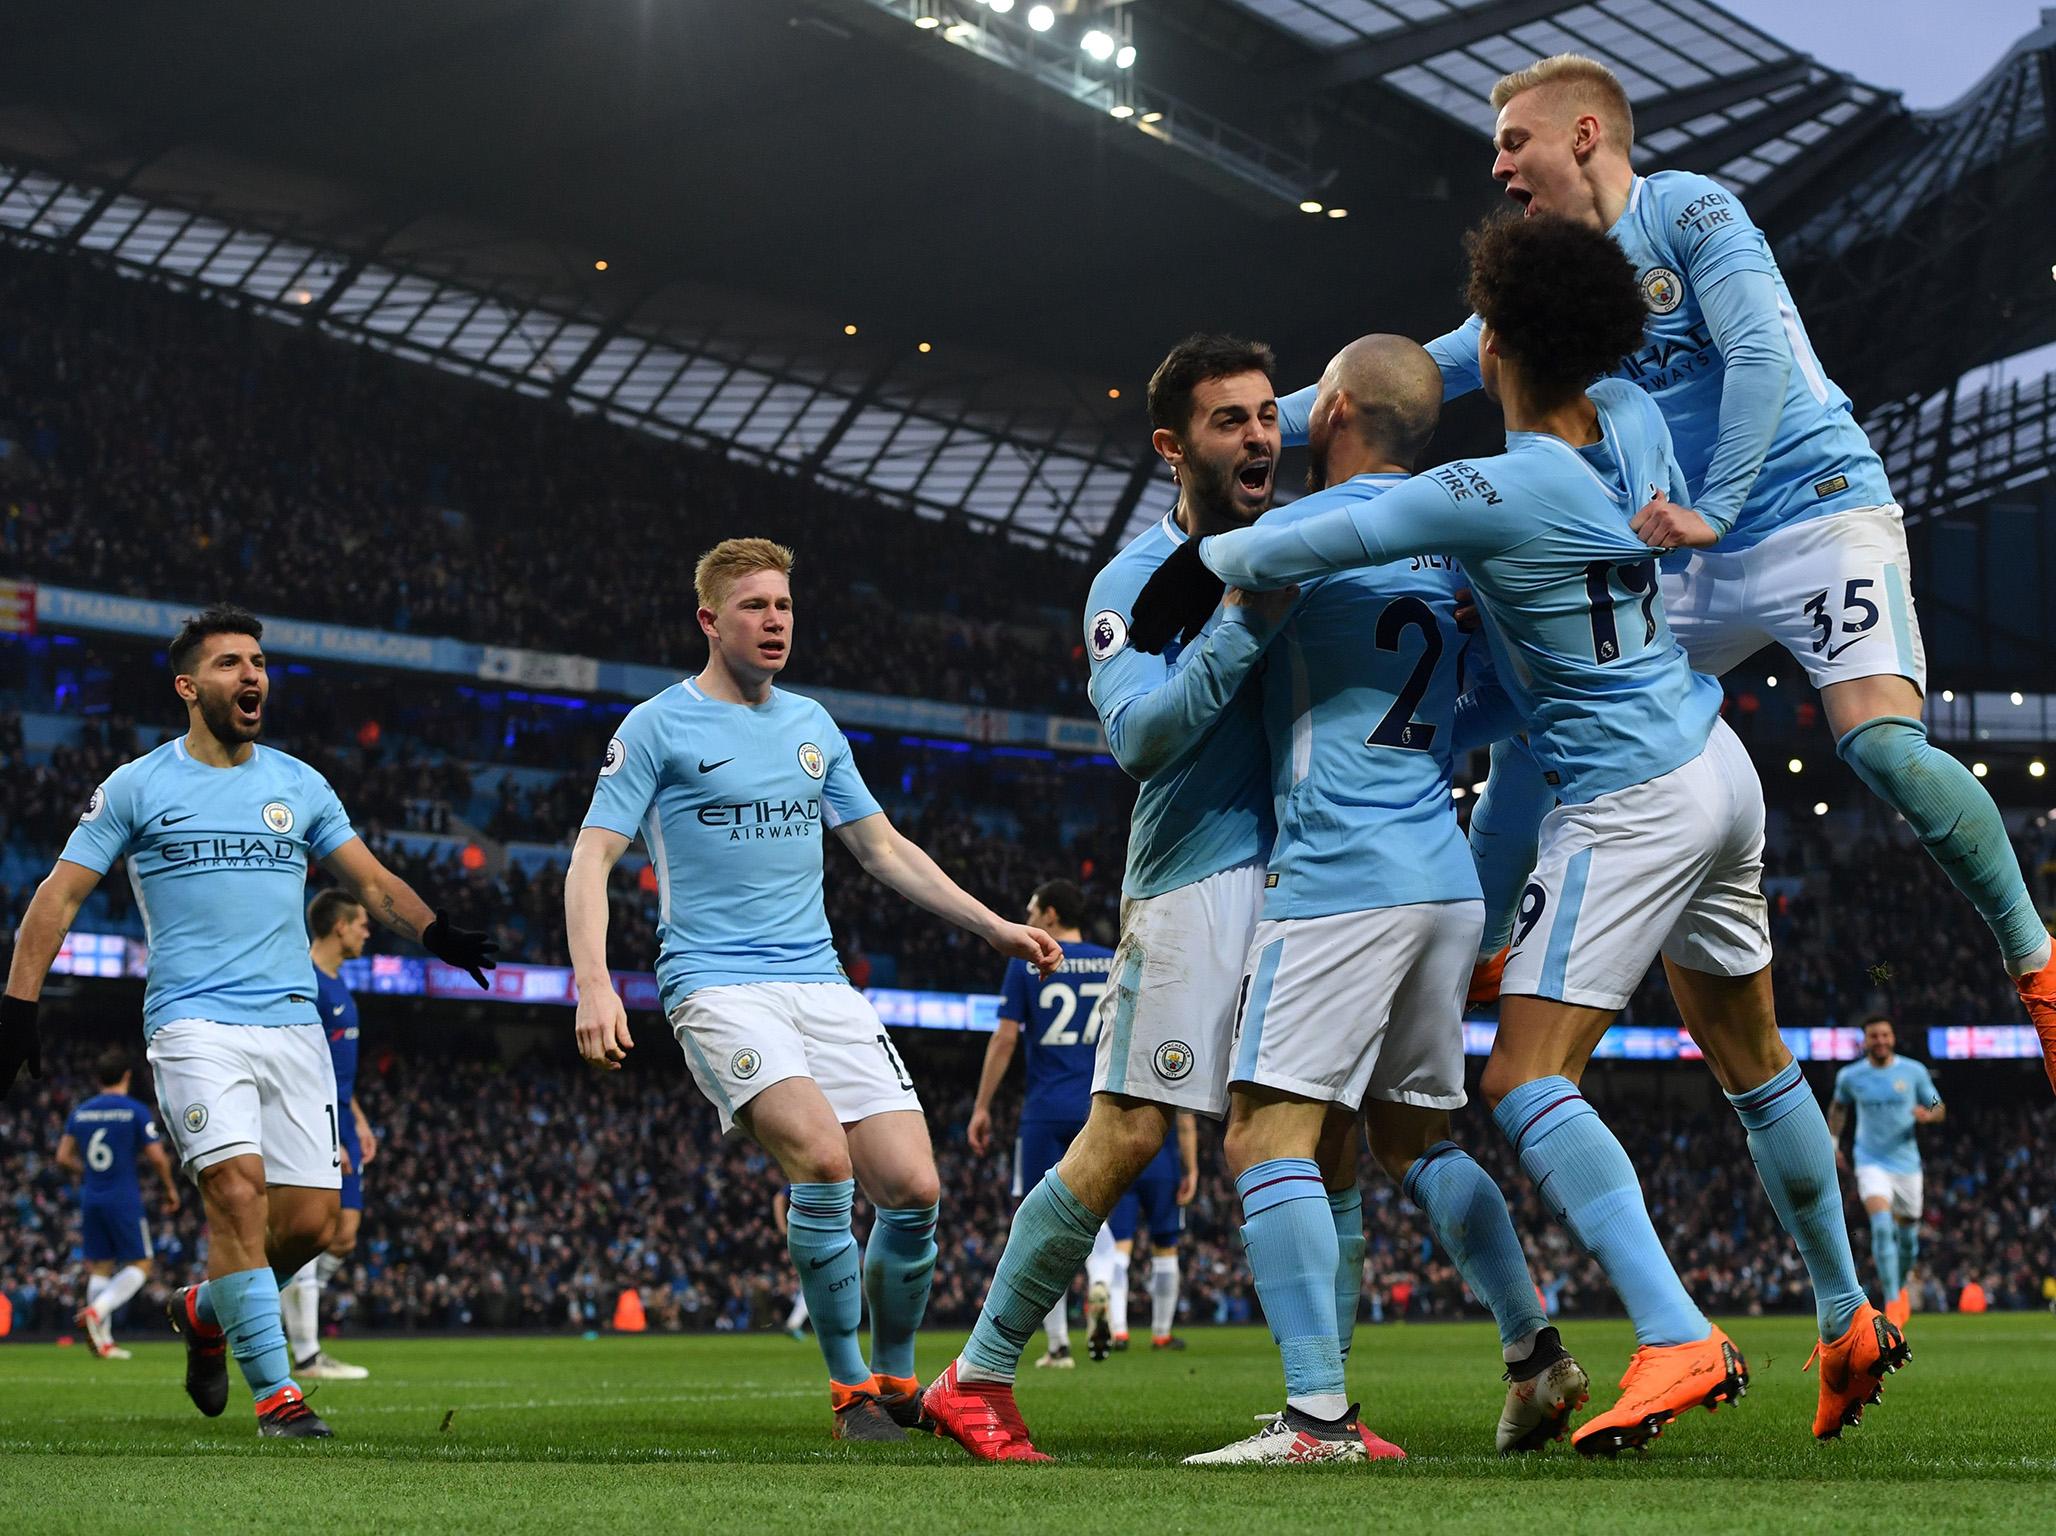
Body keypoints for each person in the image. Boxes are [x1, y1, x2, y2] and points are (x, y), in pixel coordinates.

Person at [1141, 214, 1901, 1452]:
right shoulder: (1629, 427)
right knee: (1752, 1061)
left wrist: (1196, 554)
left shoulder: (1491, 487)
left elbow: (1346, 527)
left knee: (1523, 1077)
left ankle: (1672, 1335)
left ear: (1491, 338)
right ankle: (1843, 1308)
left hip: (1628, 793)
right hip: (1715, 760)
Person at [1347, 50, 2056, 1091]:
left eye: (1513, 143)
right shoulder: (1558, 277)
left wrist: (1715, 508)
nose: (1498, 170)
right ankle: (1489, 948)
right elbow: (1439, 363)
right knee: (1546, 712)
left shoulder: (1688, 211)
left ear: (1582, 136)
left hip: (1811, 509)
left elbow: (1762, 359)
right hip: (1682, 541)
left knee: (1882, 749)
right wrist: (1282, 411)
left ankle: (2035, 960)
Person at [1139, 335, 1586, 1465]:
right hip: (1440, 873)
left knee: (1262, 1136)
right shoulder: (1452, 546)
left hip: (1339, 875)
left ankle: (1317, 1421)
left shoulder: (1310, 543)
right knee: (1413, 1137)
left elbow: (1185, 608)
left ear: (1329, 409)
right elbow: (1497, 708)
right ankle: (1533, 1353)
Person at [565, 537, 1059, 1443]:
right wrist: (594, 983)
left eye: (784, 606)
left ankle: (899, 1377)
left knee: (915, 1188)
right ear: (710, 621)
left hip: (820, 983)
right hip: (716, 985)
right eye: (754, 606)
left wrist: (993, 925)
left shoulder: (813, 726)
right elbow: (592, 858)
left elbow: (882, 848)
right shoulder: (655, 728)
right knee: (824, 1164)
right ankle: (848, 1393)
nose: (775, 620)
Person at [922, 334, 1296, 1464]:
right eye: (1229, 421)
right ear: (1171, 447)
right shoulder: (1132, 583)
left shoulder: (1300, 531)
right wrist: (1243, 619)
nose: (1261, 436)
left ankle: (1325, 1408)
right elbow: (1138, 738)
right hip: (1193, 877)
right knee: (1128, 1131)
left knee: (1322, 1137)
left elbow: (1379, 389)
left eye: (1270, 414)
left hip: (1309, 880)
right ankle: (978, 1373)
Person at [0, 603, 496, 1438]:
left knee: (309, 1222)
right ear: (190, 686)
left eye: (259, 660)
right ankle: (279, 1397)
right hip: (194, 1024)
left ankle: (202, 1311)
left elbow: (370, 881)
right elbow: (59, 897)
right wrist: (18, 1007)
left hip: (291, 1026)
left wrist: (436, 930)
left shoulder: (298, 784)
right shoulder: (137, 785)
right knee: (236, 1193)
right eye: (231, 662)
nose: (253, 674)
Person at [966, 877, 1121, 1371]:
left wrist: (982, 1105)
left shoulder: (1029, 960)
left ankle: (1057, 1346)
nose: (1027, 921)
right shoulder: (1112, 957)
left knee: (1039, 1221)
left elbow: (1006, 1039)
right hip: (1096, 1107)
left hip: (1043, 1110)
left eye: (1032, 911)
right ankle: (1101, 1282)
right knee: (1096, 1215)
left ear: (1051, 915)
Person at [282, 890, 377, 1381]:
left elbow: (334, 1069)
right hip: (313, 1121)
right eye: (361, 923)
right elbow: (299, 1066)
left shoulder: (340, 985)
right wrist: (324, 1131)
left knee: (343, 1237)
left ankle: (287, 1304)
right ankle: (306, 1353)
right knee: (312, 1235)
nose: (367, 930)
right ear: (339, 926)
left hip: (340, 1118)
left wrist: (356, 1119)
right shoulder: (305, 983)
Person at [56, 1046, 180, 1360]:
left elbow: (62, 1157)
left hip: (92, 1196)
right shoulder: (134, 1111)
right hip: (123, 1196)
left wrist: (87, 1171)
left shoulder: (81, 1112)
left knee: (100, 1266)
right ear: (127, 1075)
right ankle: (97, 1311)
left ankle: (104, 1342)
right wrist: (169, 1189)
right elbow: (156, 1157)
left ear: (98, 1078)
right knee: (141, 1263)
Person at [1830, 1016, 1943, 1332]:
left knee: (1908, 1240)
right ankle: (1893, 1300)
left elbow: (1938, 1104)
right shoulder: (1851, 1076)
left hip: (1906, 1165)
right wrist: (1833, 1143)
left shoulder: (1913, 1071)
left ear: (1893, 1038)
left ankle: (1901, 1285)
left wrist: (1928, 1114)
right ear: (1865, 1041)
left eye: (1884, 1035)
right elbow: (1839, 1109)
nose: (1879, 1040)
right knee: (1881, 1226)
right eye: (1873, 1036)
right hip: (1870, 1161)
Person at [1102, 1113, 1195, 1356]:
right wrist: (1192, 1170)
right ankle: (1162, 1334)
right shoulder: (1176, 1073)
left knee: (1119, 1246)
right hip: (1163, 1164)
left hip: (1124, 1158)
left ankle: (1118, 1330)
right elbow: (1185, 1121)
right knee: (1166, 1246)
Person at [770, 1189, 811, 1340]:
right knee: (816, 1284)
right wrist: (784, 1231)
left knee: (812, 1285)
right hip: (809, 1238)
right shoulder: (807, 1181)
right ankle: (794, 1323)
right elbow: (779, 1198)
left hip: (804, 1237)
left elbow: (778, 1198)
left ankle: (794, 1323)